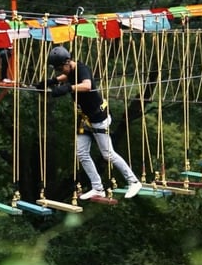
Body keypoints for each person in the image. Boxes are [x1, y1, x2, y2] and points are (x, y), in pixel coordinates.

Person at [36, 46, 142, 199]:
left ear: (67, 62)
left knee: (108, 154)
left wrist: (68, 89)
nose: (60, 72)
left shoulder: (82, 68)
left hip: (98, 118)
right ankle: (97, 188)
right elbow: (68, 76)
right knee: (82, 153)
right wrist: (51, 81)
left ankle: (134, 181)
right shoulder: (70, 71)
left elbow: (87, 85)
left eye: (60, 68)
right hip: (84, 119)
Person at [0, 10, 12, 82]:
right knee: (4, 57)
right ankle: (3, 77)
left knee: (7, 59)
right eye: (1, 13)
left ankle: (5, 77)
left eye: (4, 13)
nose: (3, 14)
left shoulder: (8, 23)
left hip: (8, 44)